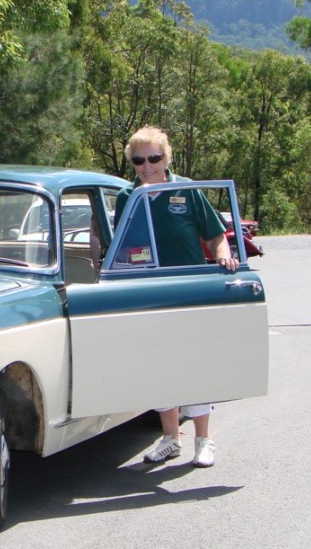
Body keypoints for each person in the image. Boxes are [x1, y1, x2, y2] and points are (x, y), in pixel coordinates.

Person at [113, 126, 239, 468]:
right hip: (149, 291)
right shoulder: (128, 197)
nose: (147, 165)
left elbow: (215, 235)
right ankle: (170, 438)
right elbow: (119, 248)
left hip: (189, 288)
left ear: (166, 158)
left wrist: (224, 257)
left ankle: (204, 439)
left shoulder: (187, 190)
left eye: (154, 157)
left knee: (193, 363)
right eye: (139, 160)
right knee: (158, 364)